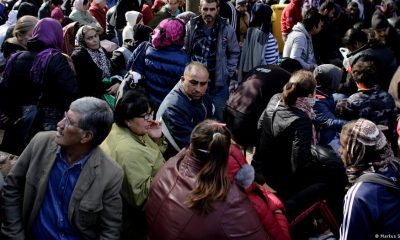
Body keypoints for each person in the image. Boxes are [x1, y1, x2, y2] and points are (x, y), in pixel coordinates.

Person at [1, 97, 123, 239]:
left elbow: (110, 229)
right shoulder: (40, 143)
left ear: (86, 136)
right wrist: (15, 234)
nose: (59, 124)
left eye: (69, 122)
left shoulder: (111, 174)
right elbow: (12, 187)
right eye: (64, 116)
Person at [146, 120, 269, 239]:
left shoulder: (170, 165)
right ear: (226, 153)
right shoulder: (231, 199)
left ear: (191, 145)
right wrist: (277, 211)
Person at [0, 18, 78, 155]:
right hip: (48, 125)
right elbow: (71, 92)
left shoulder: (16, 58)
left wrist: (10, 112)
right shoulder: (56, 58)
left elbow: (6, 89)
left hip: (20, 124)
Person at [101, 90, 165, 239]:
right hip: (134, 221)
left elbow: (151, 154)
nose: (151, 120)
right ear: (128, 119)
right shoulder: (129, 151)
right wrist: (171, 171)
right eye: (145, 116)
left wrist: (157, 139)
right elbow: (141, 199)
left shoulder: (125, 129)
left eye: (151, 113)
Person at [339, 119, 400, 239]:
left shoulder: (359, 194)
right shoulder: (395, 165)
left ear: (355, 150)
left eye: (343, 146)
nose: (339, 151)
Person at [184, 0, 240, 120]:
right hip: (194, 84)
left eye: (212, 9)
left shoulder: (226, 29)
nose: (208, 12)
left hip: (217, 85)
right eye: (205, 9)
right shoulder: (191, 26)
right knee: (194, 118)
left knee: (217, 120)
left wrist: (227, 72)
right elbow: (185, 50)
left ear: (217, 10)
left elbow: (234, 52)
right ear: (200, 9)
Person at [127, 17, 190, 108]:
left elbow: (130, 65)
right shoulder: (184, 60)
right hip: (168, 106)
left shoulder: (145, 47)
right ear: (179, 35)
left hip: (145, 104)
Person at [156, 61, 214, 159]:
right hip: (176, 159)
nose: (198, 89)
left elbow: (211, 123)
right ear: (183, 80)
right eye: (193, 83)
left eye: (203, 84)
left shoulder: (202, 96)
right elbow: (188, 144)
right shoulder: (173, 107)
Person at [224, 65, 291, 148]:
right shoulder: (288, 78)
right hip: (247, 119)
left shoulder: (261, 67)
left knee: (232, 149)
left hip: (230, 109)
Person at [341, 56, 397, 148]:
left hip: (365, 146)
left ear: (356, 80)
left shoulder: (353, 100)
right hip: (387, 142)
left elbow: (349, 126)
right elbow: (393, 121)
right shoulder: (387, 96)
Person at [72, 25, 119, 98]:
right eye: (90, 38)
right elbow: (88, 84)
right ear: (82, 40)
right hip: (94, 96)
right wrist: (111, 87)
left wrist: (117, 83)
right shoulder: (79, 56)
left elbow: (113, 70)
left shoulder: (102, 50)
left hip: (110, 88)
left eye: (96, 36)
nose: (95, 40)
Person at [238, 3, 279, 82]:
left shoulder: (249, 31)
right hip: (262, 78)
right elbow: (271, 63)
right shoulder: (267, 36)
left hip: (247, 76)